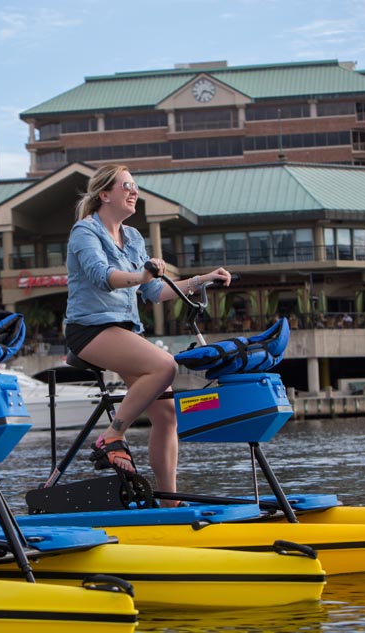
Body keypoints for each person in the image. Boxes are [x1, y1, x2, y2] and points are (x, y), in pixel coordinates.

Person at [63, 164, 230, 506]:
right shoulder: (85, 231)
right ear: (104, 194)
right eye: (126, 186)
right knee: (164, 366)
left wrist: (202, 279)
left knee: (166, 413)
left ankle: (169, 503)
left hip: (124, 331)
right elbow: (103, 277)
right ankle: (112, 436)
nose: (133, 191)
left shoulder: (134, 237)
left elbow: (154, 291)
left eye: (135, 186)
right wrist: (141, 275)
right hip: (90, 329)